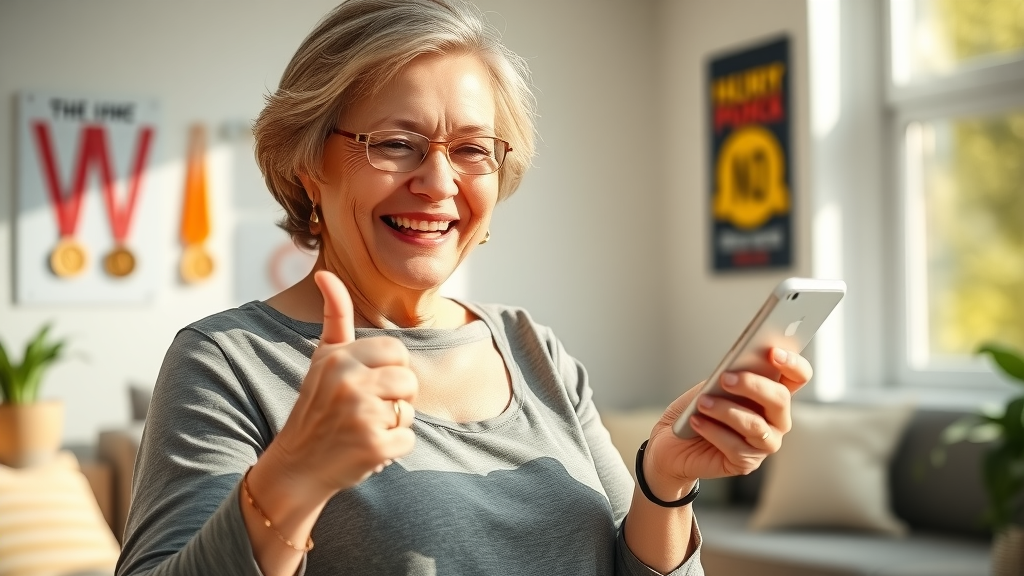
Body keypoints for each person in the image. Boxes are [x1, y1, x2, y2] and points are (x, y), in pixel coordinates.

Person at [116, 1, 813, 575]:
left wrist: (664, 482)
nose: (440, 183)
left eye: (473, 149)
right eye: (395, 143)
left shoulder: (531, 347)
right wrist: (293, 476)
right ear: (307, 164)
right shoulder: (227, 363)